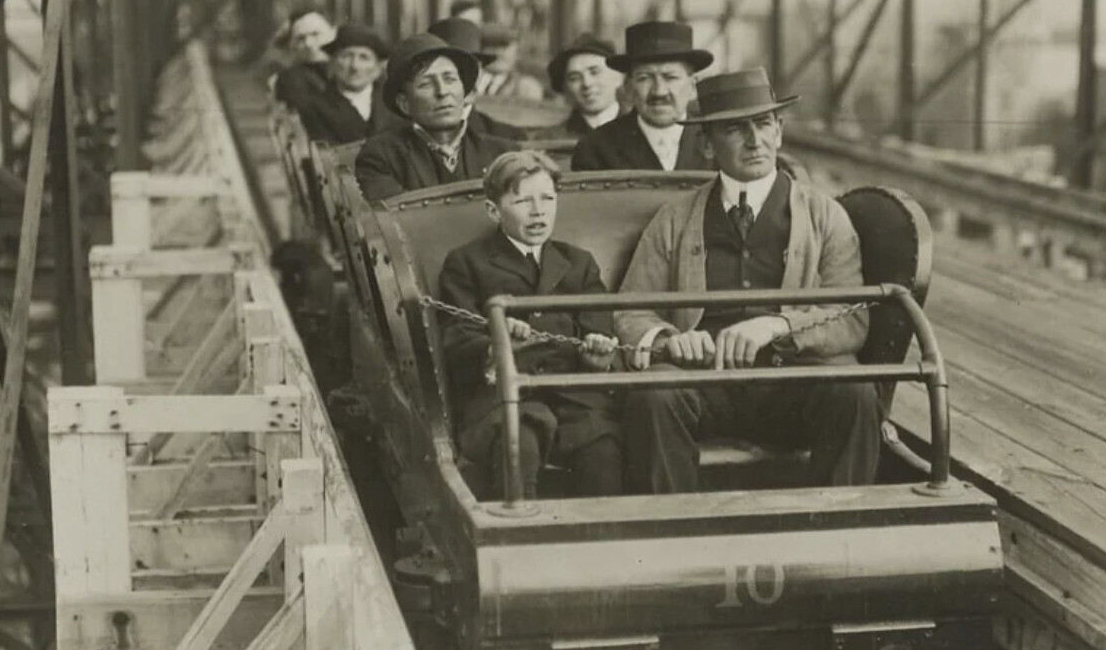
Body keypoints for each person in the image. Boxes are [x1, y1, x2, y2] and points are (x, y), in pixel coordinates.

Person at [615, 69, 880, 493]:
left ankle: (839, 540)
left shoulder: (825, 216)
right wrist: (667, 337)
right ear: (705, 144)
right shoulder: (674, 219)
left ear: (780, 132)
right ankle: (668, 536)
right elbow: (631, 309)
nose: (754, 141)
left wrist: (781, 325)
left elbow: (851, 318)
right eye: (736, 129)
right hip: (704, 383)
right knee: (652, 399)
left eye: (763, 125)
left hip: (793, 378)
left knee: (855, 395)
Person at [438, 150, 623, 500]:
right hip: (505, 399)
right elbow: (458, 334)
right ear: (493, 210)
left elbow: (598, 328)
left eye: (548, 199)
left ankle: (604, 547)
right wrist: (496, 346)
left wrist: (598, 353)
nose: (538, 211)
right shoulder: (467, 263)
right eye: (523, 200)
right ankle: (520, 545)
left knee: (602, 449)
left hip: (571, 400)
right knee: (517, 442)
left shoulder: (578, 263)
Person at [354, 33, 516, 202]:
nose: (442, 91)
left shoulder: (503, 154)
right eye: (426, 84)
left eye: (450, 79)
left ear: (464, 92)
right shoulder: (380, 158)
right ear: (405, 104)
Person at [570, 21, 715, 172]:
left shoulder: (718, 143)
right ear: (628, 88)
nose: (659, 91)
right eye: (645, 78)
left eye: (670, 77)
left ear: (693, 86)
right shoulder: (595, 149)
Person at [426, 17, 528, 140]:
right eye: (452, 69)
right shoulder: (405, 139)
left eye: (474, 66)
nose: (467, 75)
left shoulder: (507, 138)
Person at [299, 24, 396, 144]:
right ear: (333, 63)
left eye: (364, 57)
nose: (354, 66)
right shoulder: (315, 108)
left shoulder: (393, 103)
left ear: (377, 68)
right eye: (346, 56)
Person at [546, 33, 624, 136]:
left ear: (619, 76)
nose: (587, 83)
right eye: (574, 78)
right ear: (565, 88)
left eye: (594, 72)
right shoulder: (549, 139)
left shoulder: (644, 131)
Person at [272, 9, 335, 113]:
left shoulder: (344, 71)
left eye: (315, 34)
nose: (308, 44)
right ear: (293, 45)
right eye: (300, 38)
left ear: (331, 35)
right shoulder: (291, 79)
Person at [479, 23, 546, 101]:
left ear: (517, 51)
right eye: (490, 46)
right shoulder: (468, 83)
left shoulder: (525, 87)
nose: (498, 53)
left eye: (504, 46)